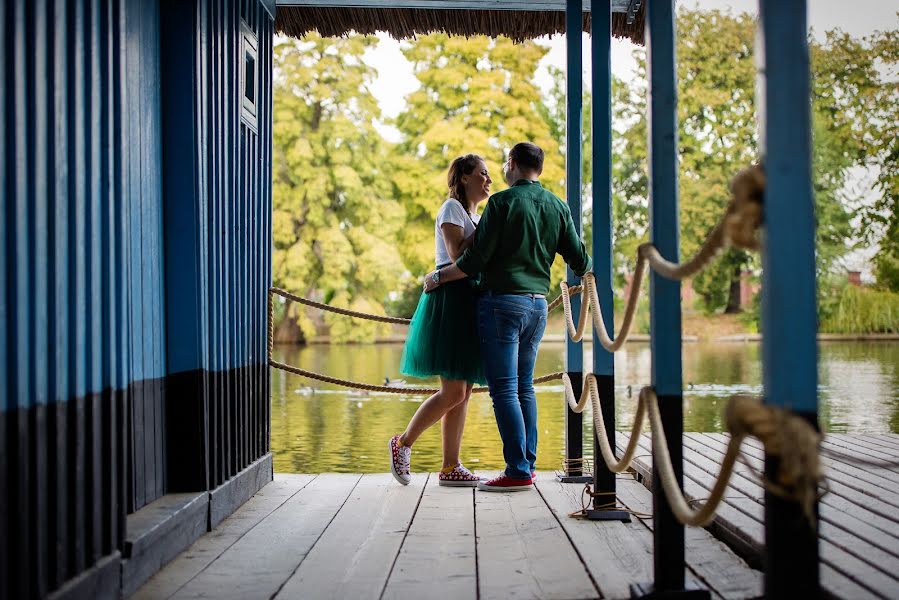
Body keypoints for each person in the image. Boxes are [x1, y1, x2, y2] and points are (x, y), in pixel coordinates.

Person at [423, 142, 591, 492]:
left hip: (502, 305)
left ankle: (516, 471)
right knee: (525, 387)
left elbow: (473, 260)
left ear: (512, 165)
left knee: (504, 390)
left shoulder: (501, 203)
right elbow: (580, 260)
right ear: (539, 170)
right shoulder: (558, 206)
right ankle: (527, 465)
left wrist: (438, 277)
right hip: (538, 306)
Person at [389, 154, 493, 487]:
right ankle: (402, 443)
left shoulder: (474, 217)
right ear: (464, 177)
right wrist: (489, 228)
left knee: (463, 391)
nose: (488, 181)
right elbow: (457, 255)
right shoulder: (453, 209)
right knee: (451, 391)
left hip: (469, 299)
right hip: (450, 300)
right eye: (482, 174)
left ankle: (450, 466)